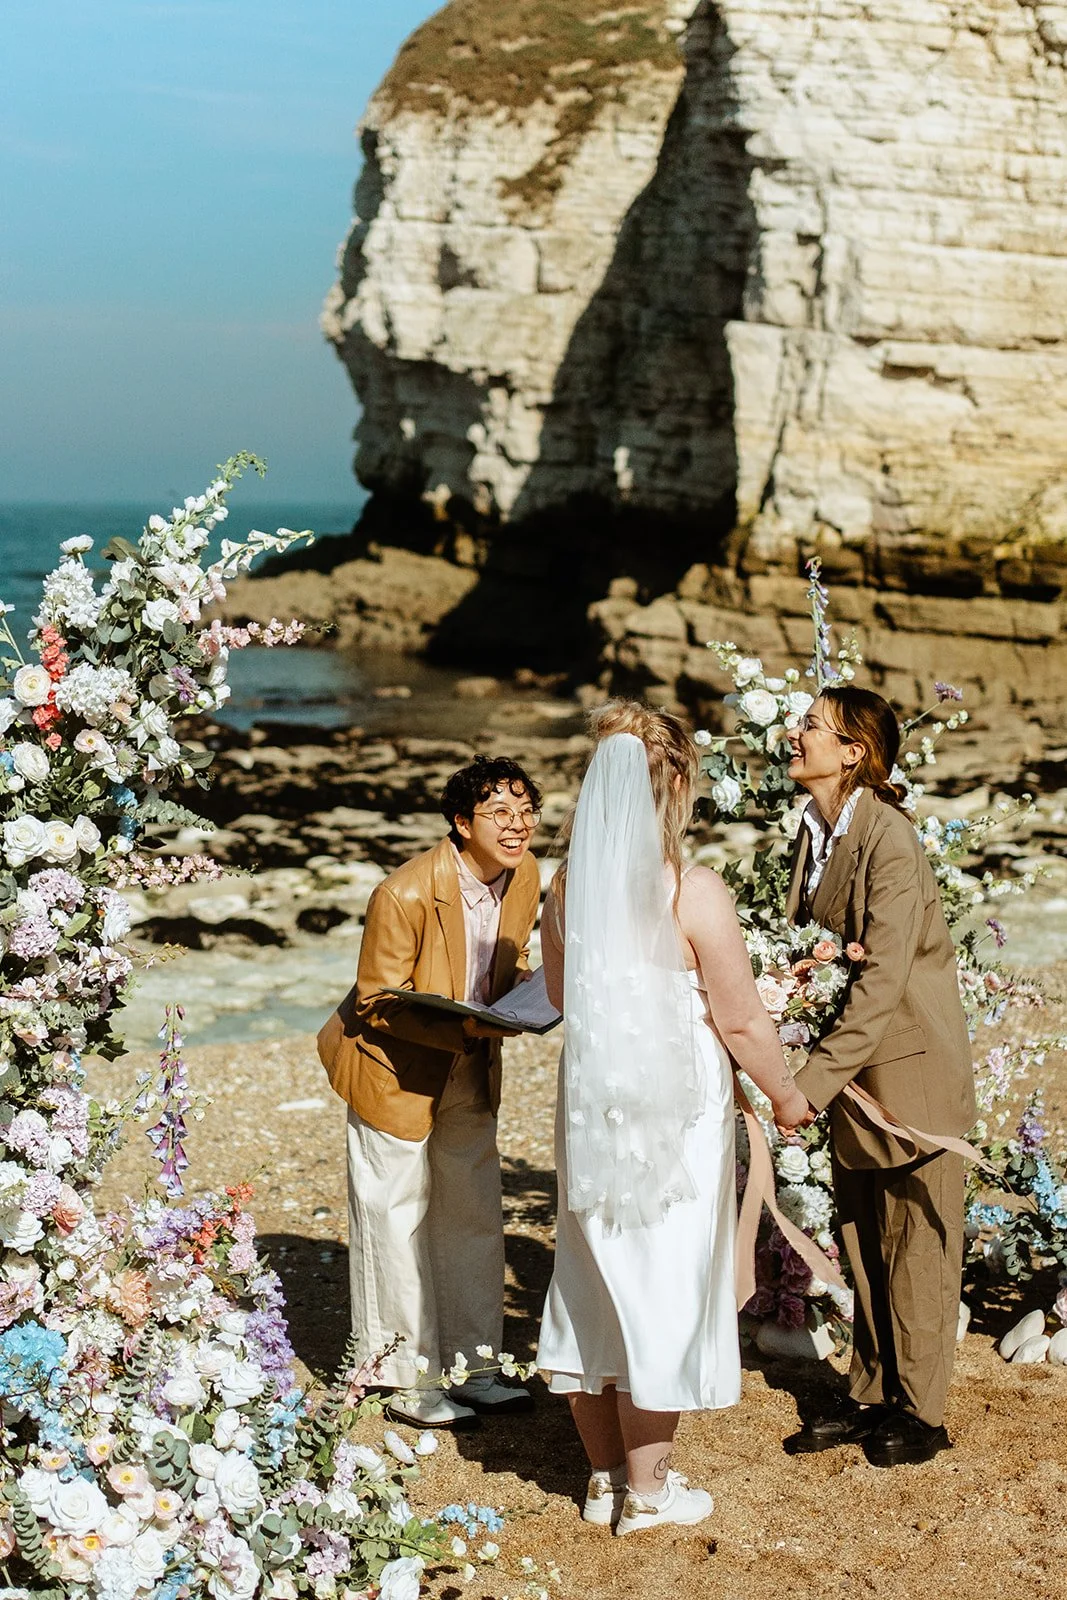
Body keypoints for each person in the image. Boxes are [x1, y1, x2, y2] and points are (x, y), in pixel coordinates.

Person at [536, 702, 809, 1535]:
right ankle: (649, 1496)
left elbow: (555, 999)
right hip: (673, 1116)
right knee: (660, 1284)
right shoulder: (692, 892)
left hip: (591, 1106)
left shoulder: (563, 888)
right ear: (677, 784)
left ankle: (603, 1478)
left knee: (591, 1281)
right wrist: (788, 1096)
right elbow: (740, 1021)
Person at [780, 686, 977, 1468]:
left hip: (908, 1073)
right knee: (860, 1238)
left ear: (853, 751)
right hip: (854, 1070)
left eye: (809, 727)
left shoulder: (887, 839)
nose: (792, 735)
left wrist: (807, 1083)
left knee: (917, 1246)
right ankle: (867, 1392)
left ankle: (921, 1413)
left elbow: (883, 978)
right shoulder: (815, 832)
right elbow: (820, 951)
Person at [317, 756, 542, 1428]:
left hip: (471, 1062)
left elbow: (511, 955)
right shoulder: (403, 893)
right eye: (498, 812)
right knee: (396, 1220)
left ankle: (473, 1368)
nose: (517, 824)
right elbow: (376, 999)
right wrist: (468, 1021)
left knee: (472, 1212)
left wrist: (527, 995)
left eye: (526, 809)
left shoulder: (525, 874)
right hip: (392, 1070)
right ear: (460, 822)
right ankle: (406, 1382)